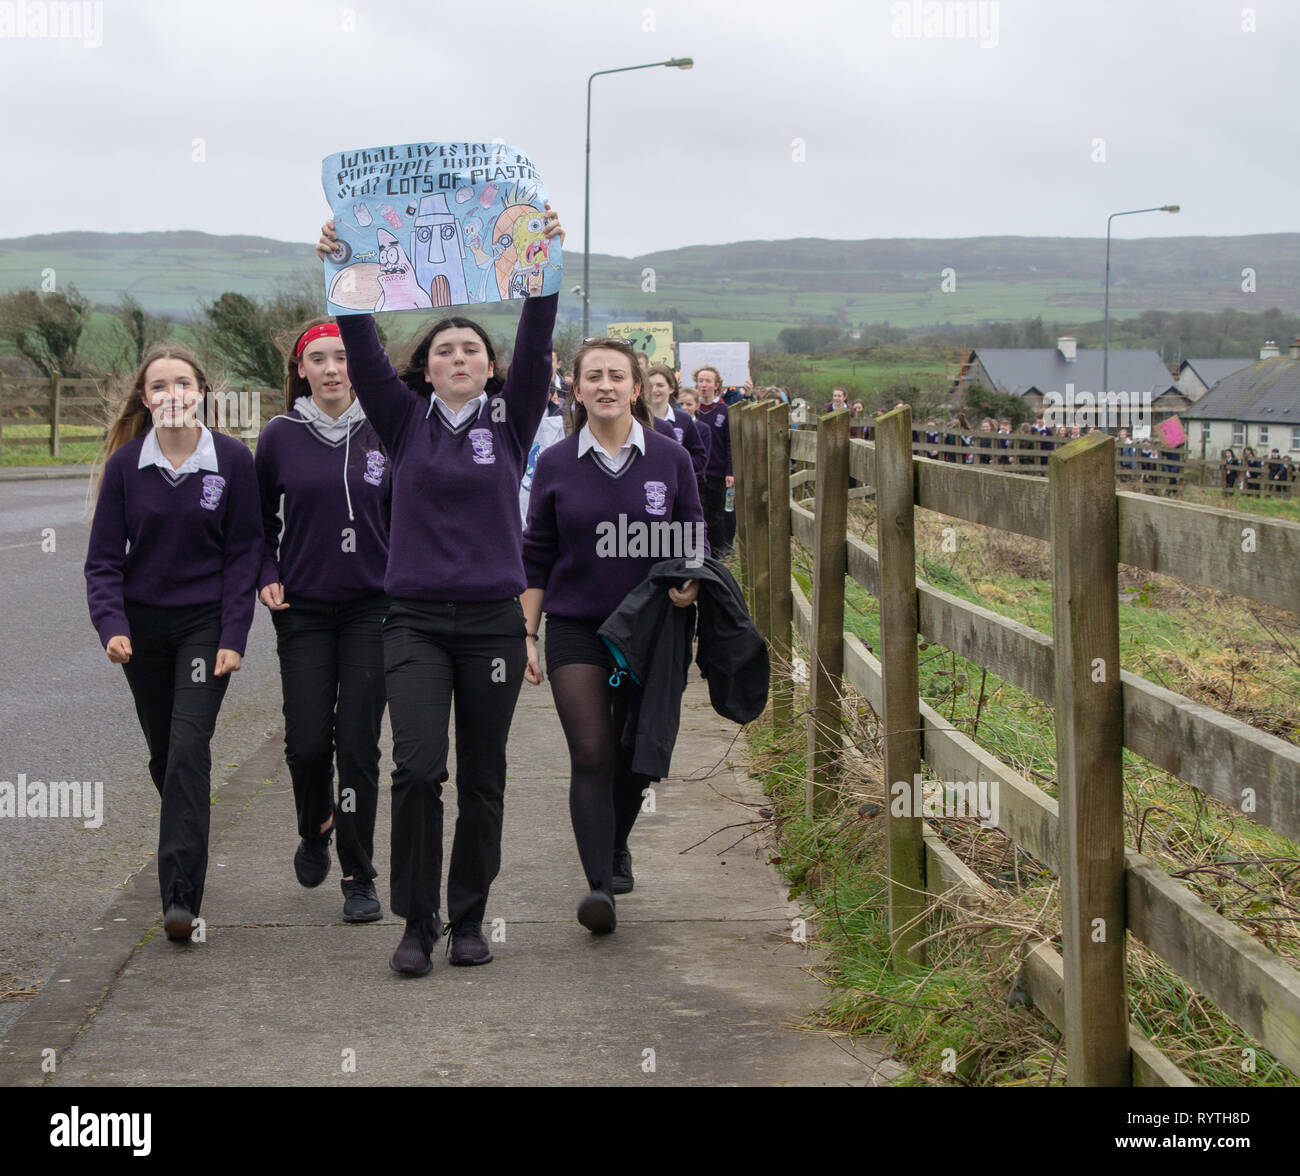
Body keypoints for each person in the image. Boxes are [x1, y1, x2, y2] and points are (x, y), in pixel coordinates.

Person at [317, 206, 563, 976]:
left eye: (473, 350)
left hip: (493, 624)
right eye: (446, 349)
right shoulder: (401, 421)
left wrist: (542, 258)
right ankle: (416, 920)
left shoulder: (513, 418)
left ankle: (468, 918)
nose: (460, 357)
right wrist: (341, 265)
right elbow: (357, 342)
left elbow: (536, 333)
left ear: (491, 367)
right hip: (415, 623)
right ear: (425, 367)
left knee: (483, 775)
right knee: (419, 770)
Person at [520, 337, 705, 933]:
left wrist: (690, 580)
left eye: (616, 376)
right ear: (576, 390)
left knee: (634, 755)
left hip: (652, 627)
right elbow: (536, 553)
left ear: (636, 387)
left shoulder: (670, 458)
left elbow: (692, 531)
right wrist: (526, 632)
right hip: (578, 627)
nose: (605, 385)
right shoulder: (553, 464)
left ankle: (617, 840)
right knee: (593, 751)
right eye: (592, 376)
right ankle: (599, 885)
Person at [84, 347, 261, 942]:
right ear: (146, 399)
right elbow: (104, 560)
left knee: (189, 749)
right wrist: (112, 625)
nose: (172, 393)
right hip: (143, 631)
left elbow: (245, 554)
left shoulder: (234, 460)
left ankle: (180, 901)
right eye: (158, 386)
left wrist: (234, 635)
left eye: (182, 382)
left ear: (202, 392)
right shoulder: (125, 466)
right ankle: (189, 823)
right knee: (167, 756)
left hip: (205, 625)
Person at [255, 318, 390, 924]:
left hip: (375, 607)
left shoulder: (389, 427)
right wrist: (266, 571)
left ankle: (359, 874)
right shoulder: (279, 436)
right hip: (303, 609)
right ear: (301, 370)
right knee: (308, 743)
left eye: (342, 357)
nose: (333, 369)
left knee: (358, 744)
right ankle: (316, 826)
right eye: (319, 360)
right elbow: (257, 523)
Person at [693, 365, 733, 556]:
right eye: (700, 380)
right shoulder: (691, 410)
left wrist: (730, 471)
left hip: (717, 471)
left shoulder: (723, 410)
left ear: (716, 385)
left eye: (708, 381)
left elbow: (729, 444)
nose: (703, 385)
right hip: (696, 471)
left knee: (716, 513)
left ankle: (718, 552)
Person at [646, 363, 707, 480]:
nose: (655, 390)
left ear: (671, 388)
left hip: (677, 484)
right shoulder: (636, 419)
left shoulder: (683, 419)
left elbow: (700, 457)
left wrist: (679, 467)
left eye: (660, 385)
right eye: (650, 385)